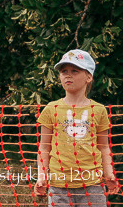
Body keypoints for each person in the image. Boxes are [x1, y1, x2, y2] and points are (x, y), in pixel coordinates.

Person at [34, 50, 118, 207]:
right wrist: (41, 176)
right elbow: (44, 147)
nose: (67, 75)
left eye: (75, 71)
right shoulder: (51, 109)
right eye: (64, 71)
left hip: (92, 186)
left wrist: (109, 174)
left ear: (88, 77)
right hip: (59, 186)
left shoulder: (99, 110)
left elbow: (104, 147)